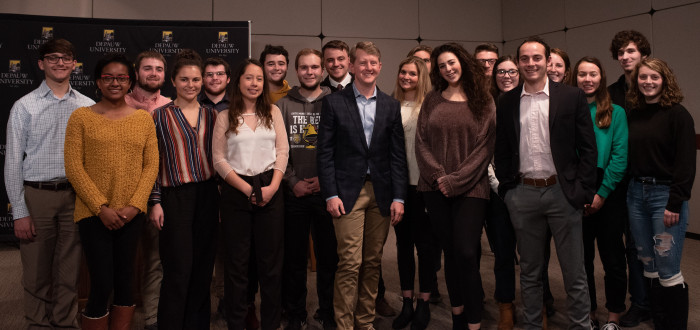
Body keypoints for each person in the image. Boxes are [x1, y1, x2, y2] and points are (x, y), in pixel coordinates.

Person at [494, 36, 597, 329]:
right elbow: (501, 149)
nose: (531, 63)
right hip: (523, 194)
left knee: (573, 271)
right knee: (529, 271)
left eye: (537, 57)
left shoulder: (570, 97)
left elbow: (589, 149)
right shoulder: (507, 101)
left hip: (562, 194)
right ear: (518, 62)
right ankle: (531, 326)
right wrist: (508, 188)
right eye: (524, 58)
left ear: (548, 60)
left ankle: (580, 325)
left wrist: (581, 191)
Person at [64, 53, 159, 329]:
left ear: (130, 82)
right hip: (94, 215)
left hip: (131, 214)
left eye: (121, 78)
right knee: (101, 283)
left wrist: (135, 205)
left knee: (126, 280)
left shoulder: (143, 120)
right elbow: (74, 167)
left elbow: (151, 165)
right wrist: (100, 207)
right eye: (108, 78)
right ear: (98, 82)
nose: (115, 82)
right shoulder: (81, 117)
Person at [4, 38, 94, 329]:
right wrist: (19, 210)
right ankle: (38, 325)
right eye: (52, 57)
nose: (60, 62)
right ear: (42, 63)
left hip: (75, 196)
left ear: (74, 64)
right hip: (37, 197)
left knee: (69, 271)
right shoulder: (24, 106)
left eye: (66, 58)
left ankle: (65, 323)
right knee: (36, 272)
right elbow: (13, 160)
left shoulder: (87, 106)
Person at [317, 41, 407, 330]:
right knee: (350, 263)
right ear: (352, 67)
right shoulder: (333, 102)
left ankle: (365, 322)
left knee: (372, 262)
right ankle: (343, 325)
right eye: (363, 63)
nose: (368, 68)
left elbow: (397, 156)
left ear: (380, 67)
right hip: (346, 194)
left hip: (381, 193)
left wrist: (399, 197)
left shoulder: (391, 105)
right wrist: (330, 193)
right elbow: (325, 153)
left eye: (373, 63)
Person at [415, 42, 495, 330]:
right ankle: (458, 314)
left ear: (462, 61)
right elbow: (421, 142)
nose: (448, 69)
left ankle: (474, 321)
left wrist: (455, 180)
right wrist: (439, 177)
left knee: (465, 252)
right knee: (449, 251)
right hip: (435, 189)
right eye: (441, 66)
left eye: (452, 62)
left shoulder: (483, 100)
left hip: (472, 189)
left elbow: (485, 148)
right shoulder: (433, 100)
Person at [213, 58, 289, 330]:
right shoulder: (225, 116)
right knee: (237, 265)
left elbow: (282, 152)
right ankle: (237, 323)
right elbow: (219, 160)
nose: (255, 83)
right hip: (236, 191)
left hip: (271, 188)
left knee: (270, 265)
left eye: (259, 79)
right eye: (249, 78)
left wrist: (273, 187)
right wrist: (247, 189)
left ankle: (270, 324)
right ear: (238, 81)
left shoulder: (273, 112)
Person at [148, 49, 220, 330]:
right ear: (173, 82)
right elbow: (152, 163)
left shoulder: (213, 115)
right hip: (173, 198)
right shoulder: (158, 117)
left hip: (207, 196)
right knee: (178, 269)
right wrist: (155, 202)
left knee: (203, 270)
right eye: (184, 79)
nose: (191, 85)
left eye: (196, 79)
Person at [626, 57, 695, 329]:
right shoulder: (634, 113)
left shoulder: (678, 115)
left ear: (665, 80)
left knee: (667, 267)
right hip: (635, 195)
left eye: (654, 77)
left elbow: (686, 165)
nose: (648, 82)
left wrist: (674, 203)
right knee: (648, 262)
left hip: (664, 198)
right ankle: (659, 319)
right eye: (643, 77)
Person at [278, 48, 338, 330]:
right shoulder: (281, 105)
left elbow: (343, 148)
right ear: (296, 71)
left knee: (328, 257)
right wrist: (293, 181)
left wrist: (326, 180)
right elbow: (277, 149)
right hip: (295, 193)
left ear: (323, 71)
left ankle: (327, 310)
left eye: (315, 67)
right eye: (304, 67)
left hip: (327, 192)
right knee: (294, 259)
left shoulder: (336, 102)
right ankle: (296, 313)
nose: (310, 72)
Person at [573, 56, 628, 330]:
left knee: (613, 259)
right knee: (581, 261)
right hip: (577, 189)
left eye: (592, 74)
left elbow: (619, 157)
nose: (587, 79)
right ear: (575, 78)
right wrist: (580, 192)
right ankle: (589, 313)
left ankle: (614, 316)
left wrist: (602, 193)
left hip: (608, 188)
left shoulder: (615, 112)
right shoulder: (567, 110)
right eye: (582, 74)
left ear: (601, 77)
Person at [607, 30, 652, 328]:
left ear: (643, 54)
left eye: (631, 51)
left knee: (654, 246)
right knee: (631, 246)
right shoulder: (611, 93)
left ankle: (656, 302)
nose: (625, 56)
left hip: (649, 179)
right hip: (620, 182)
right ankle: (640, 303)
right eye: (621, 52)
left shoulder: (653, 85)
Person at [123, 49, 170, 330]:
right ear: (136, 72)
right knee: (121, 261)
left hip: (159, 196)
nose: (153, 73)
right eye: (147, 68)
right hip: (124, 195)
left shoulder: (171, 105)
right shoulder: (119, 103)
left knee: (155, 261)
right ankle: (119, 317)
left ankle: (152, 318)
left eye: (159, 69)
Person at [390, 56, 437, 330]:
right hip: (400, 188)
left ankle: (424, 302)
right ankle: (407, 301)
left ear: (421, 77)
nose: (406, 77)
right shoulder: (390, 105)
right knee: (403, 246)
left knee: (426, 248)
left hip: (426, 187)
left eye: (412, 73)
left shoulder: (431, 106)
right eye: (403, 72)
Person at [487, 55, 520, 330]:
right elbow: (483, 151)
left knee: (537, 255)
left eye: (512, 71)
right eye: (501, 71)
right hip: (498, 192)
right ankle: (505, 305)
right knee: (503, 253)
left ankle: (539, 304)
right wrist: (500, 186)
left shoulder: (533, 101)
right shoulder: (487, 106)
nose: (506, 75)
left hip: (534, 190)